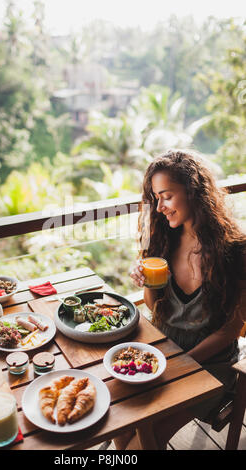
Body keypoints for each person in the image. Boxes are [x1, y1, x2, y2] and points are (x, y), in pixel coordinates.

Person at [115, 149, 246, 450]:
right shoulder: (164, 238)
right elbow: (155, 306)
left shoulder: (237, 250)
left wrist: (181, 365)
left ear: (193, 192)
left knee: (151, 436)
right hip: (163, 350)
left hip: (211, 364)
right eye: (155, 197)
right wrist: (146, 281)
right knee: (121, 428)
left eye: (166, 196)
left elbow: (230, 330)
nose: (159, 207)